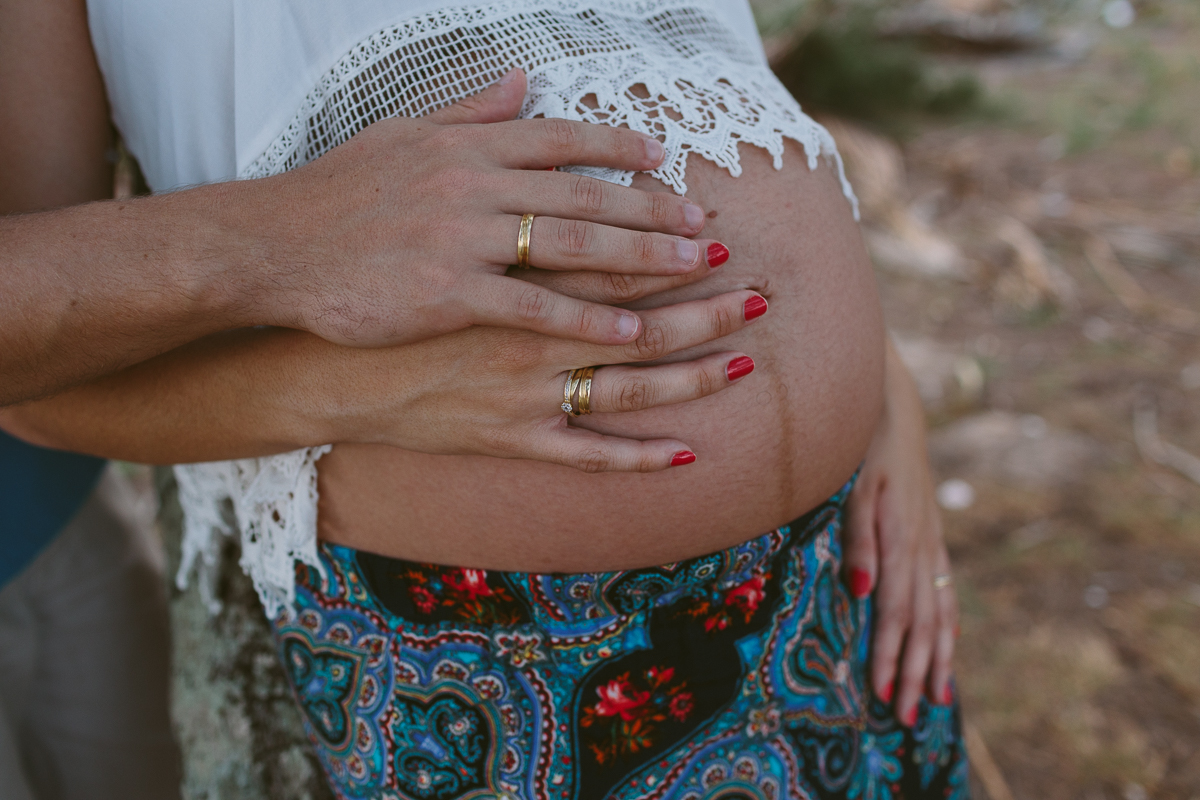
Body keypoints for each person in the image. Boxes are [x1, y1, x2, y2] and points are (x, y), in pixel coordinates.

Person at [1, 1, 966, 798]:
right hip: (495, 637)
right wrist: (313, 295)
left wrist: (876, 375)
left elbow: (687, 57)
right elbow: (31, 387)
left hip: (838, 561)